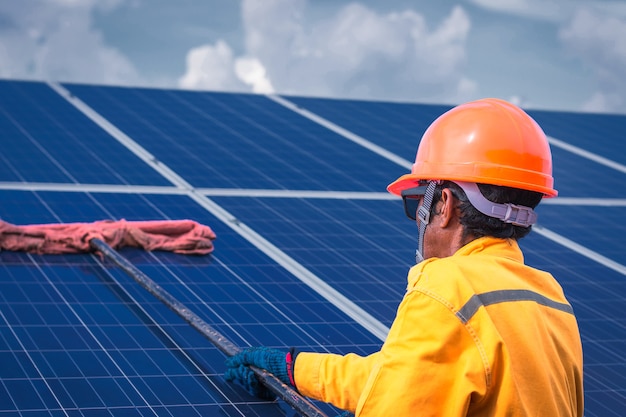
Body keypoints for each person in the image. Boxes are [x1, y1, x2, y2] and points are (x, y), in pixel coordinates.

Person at [224, 98, 584, 416]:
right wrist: (292, 368)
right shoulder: (550, 298)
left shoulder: (448, 291)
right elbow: (404, 380)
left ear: (442, 206)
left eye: (417, 203)